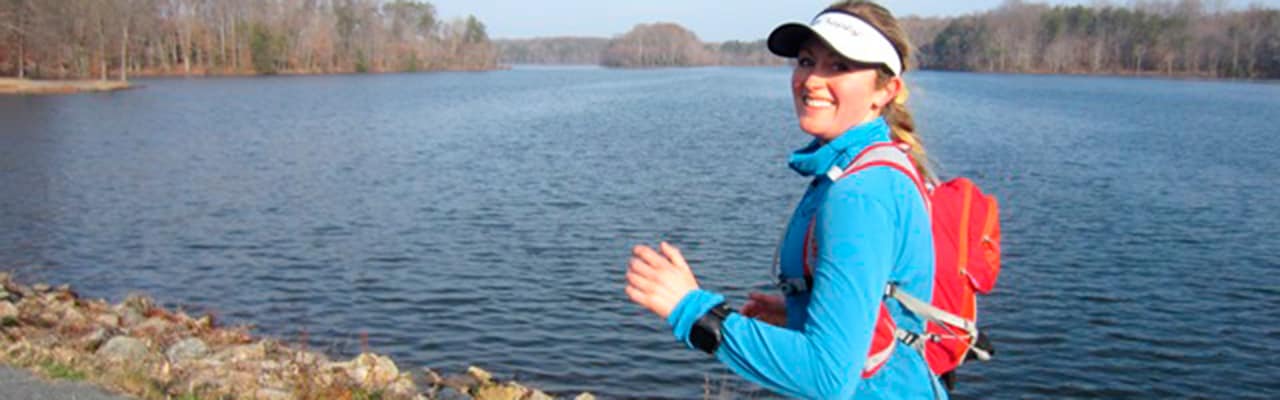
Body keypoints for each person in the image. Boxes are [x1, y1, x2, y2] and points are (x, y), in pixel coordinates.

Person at [624, 1, 948, 398]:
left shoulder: (859, 193)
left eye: (839, 66)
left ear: (885, 90)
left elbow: (826, 378)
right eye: (807, 61)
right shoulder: (869, 167)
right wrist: (804, 310)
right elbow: (875, 316)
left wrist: (692, 310)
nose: (812, 80)